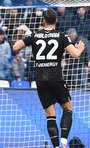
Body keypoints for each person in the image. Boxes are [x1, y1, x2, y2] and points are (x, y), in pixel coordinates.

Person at [13, 9, 85, 148]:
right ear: (56, 21)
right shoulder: (61, 35)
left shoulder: (34, 35)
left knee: (50, 116)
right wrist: (80, 48)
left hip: (40, 80)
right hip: (56, 78)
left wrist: (22, 36)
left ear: (43, 21)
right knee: (68, 107)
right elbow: (75, 54)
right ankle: (64, 140)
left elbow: (15, 47)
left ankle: (56, 146)